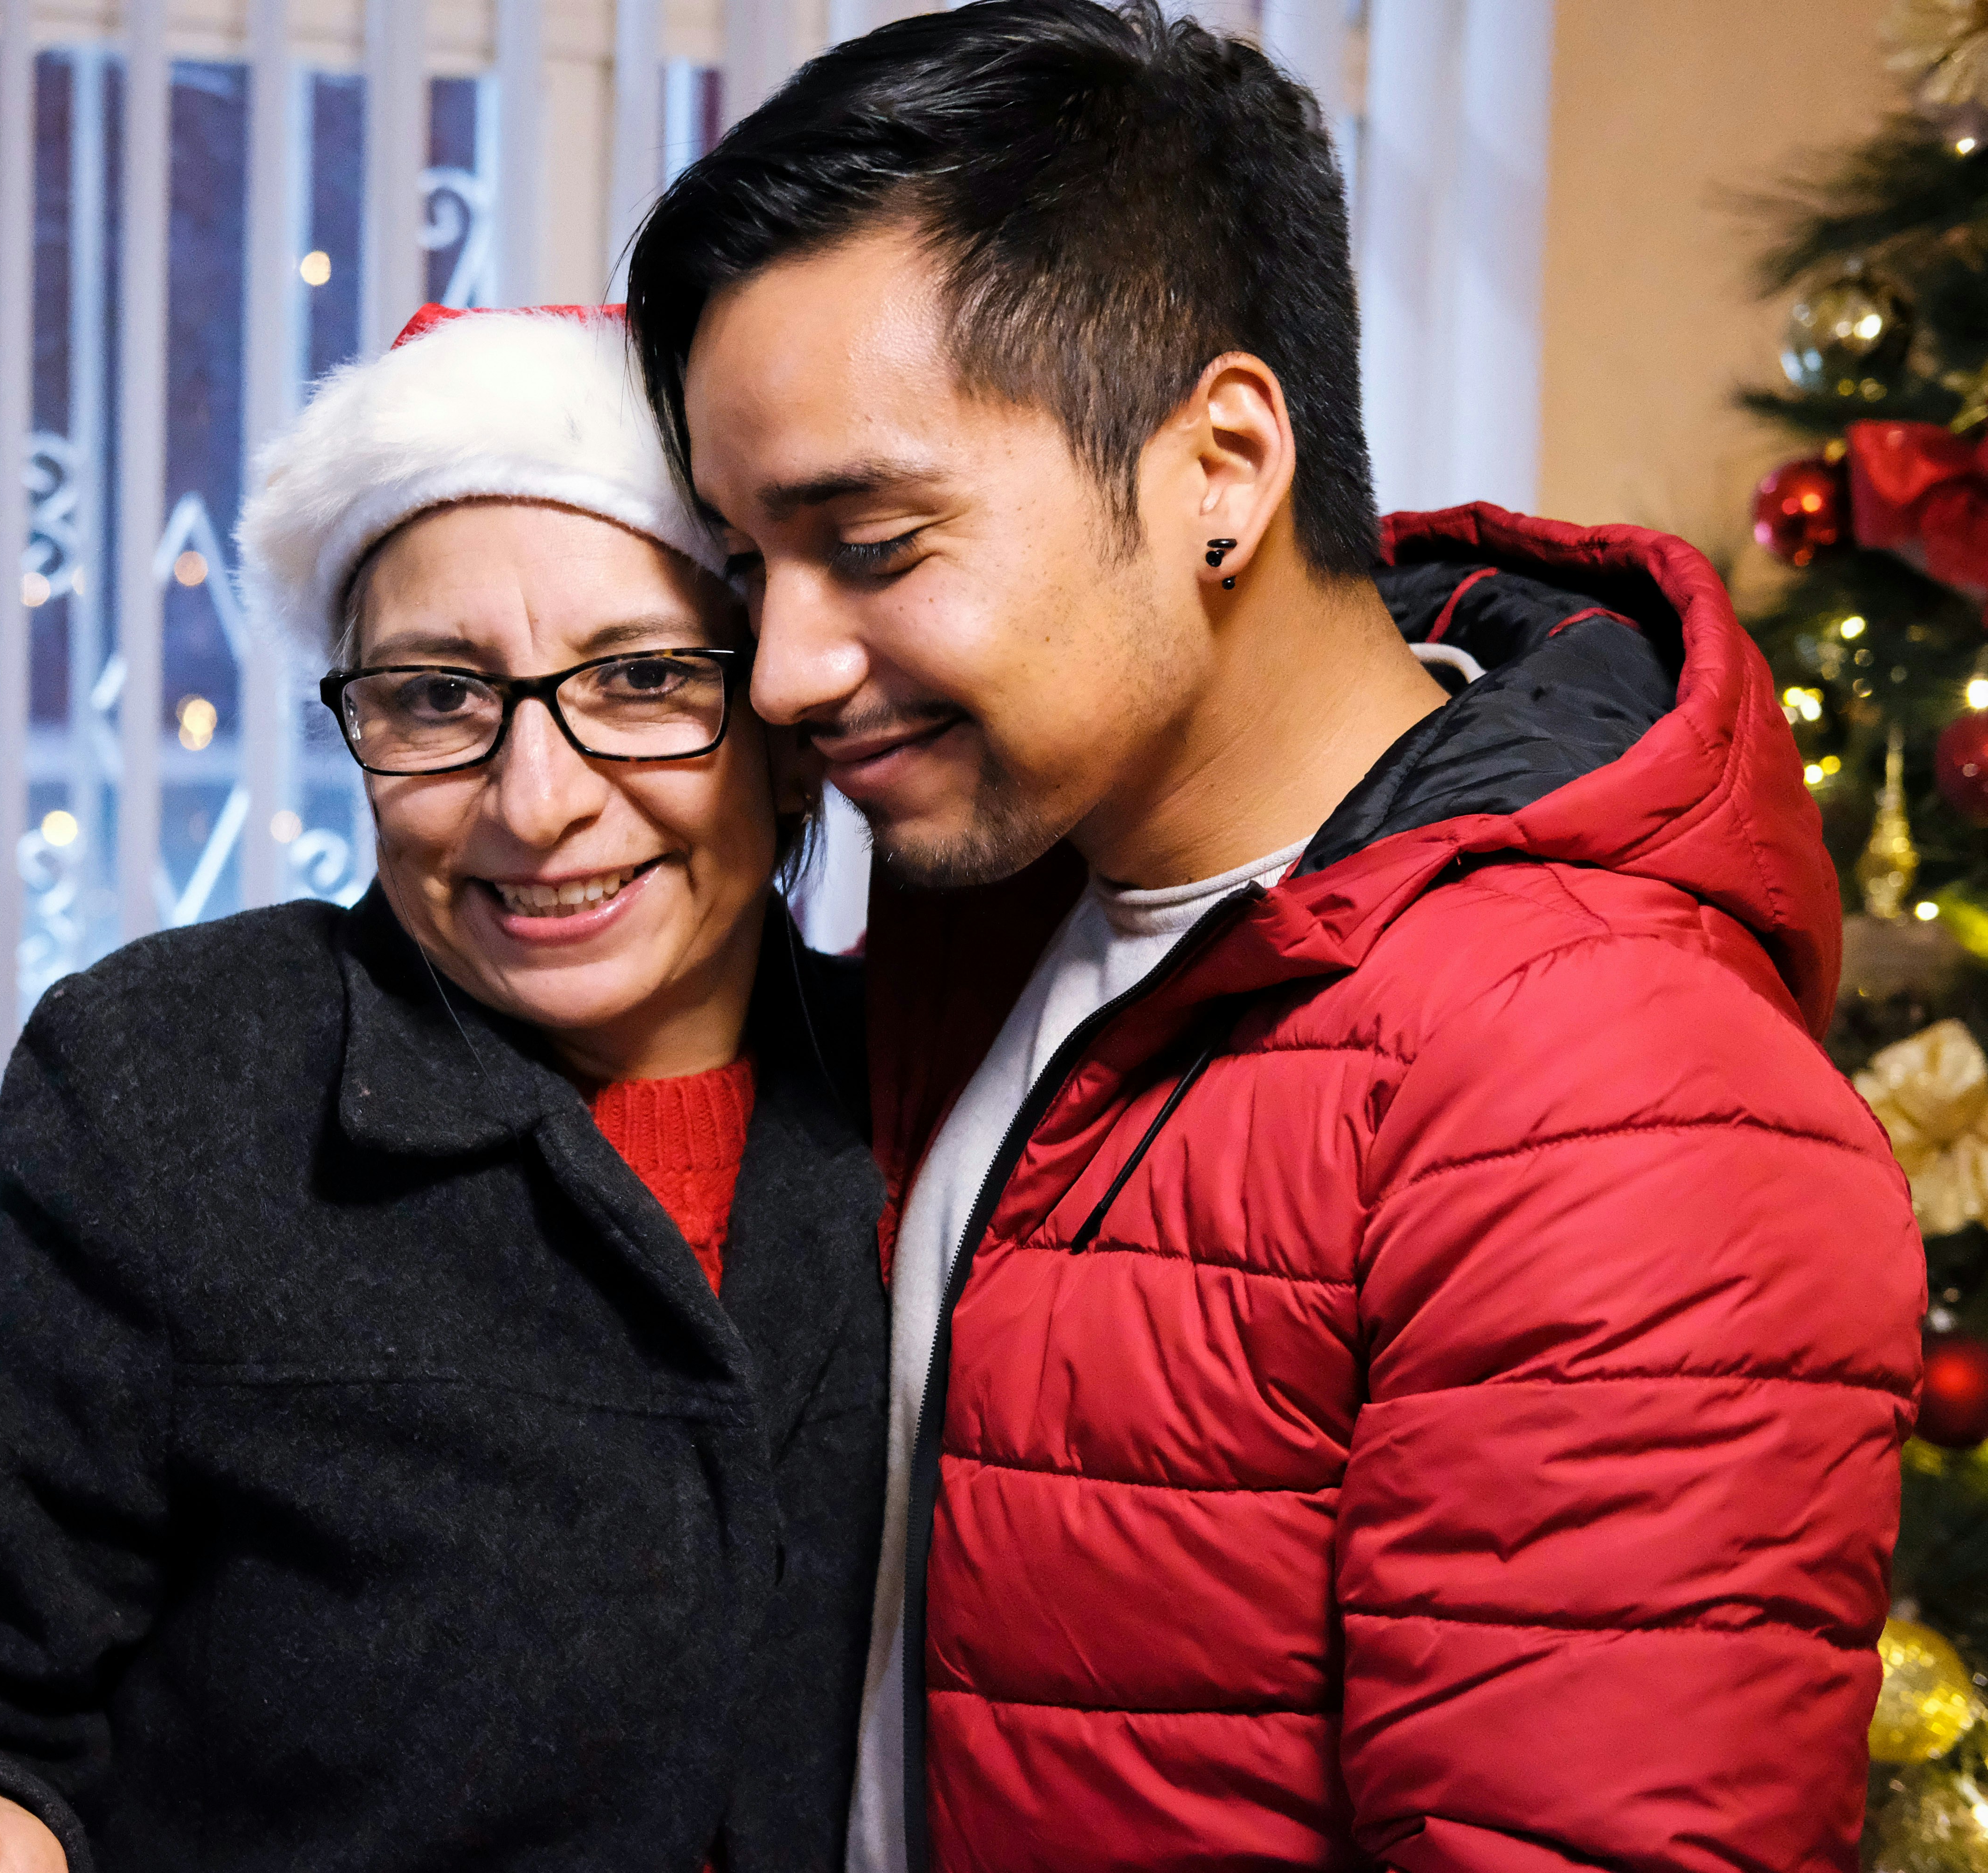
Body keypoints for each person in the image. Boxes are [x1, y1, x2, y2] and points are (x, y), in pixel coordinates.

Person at [625, 4, 1925, 1869]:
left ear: (1222, 467)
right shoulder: (990, 907)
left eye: (878, 544)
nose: (786, 669)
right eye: (756, 566)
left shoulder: (1605, 1082)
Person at [0, 303, 887, 1873]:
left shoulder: (942, 1085)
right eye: (440, 698)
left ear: (783, 730)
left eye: (643, 679)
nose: (537, 801)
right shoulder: (183, 1088)